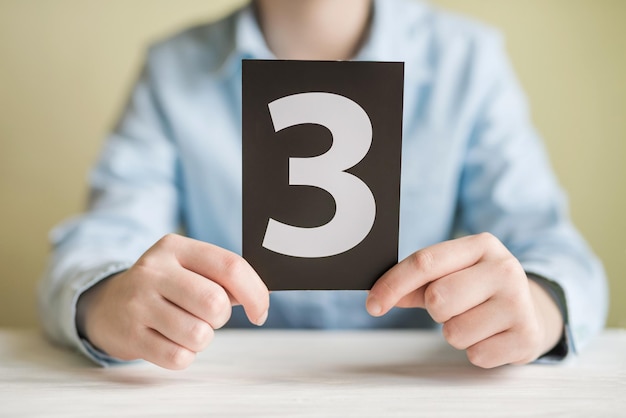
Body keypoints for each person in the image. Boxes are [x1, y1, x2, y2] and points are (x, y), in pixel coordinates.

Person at [39, 0, 608, 370]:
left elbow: (553, 247)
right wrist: (105, 300)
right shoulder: (173, 69)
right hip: (228, 389)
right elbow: (99, 243)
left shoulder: (469, 63)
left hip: (415, 388)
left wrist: (539, 305)